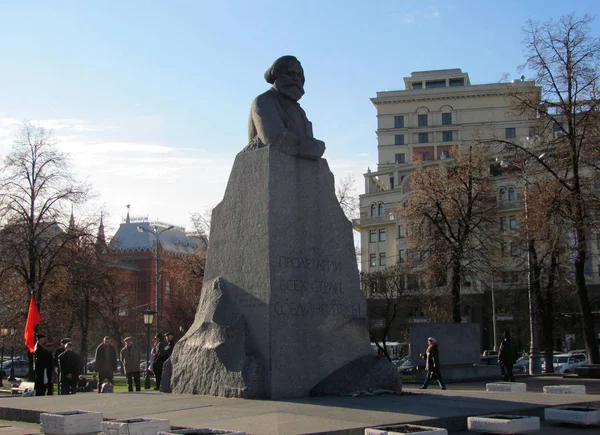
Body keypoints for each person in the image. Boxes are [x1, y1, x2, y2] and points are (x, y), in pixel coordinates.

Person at [244, 55, 326, 161]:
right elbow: (274, 138)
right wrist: (311, 147)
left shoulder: (298, 110)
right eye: (290, 74)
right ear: (278, 76)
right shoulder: (264, 101)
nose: (296, 78)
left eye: (299, 75)